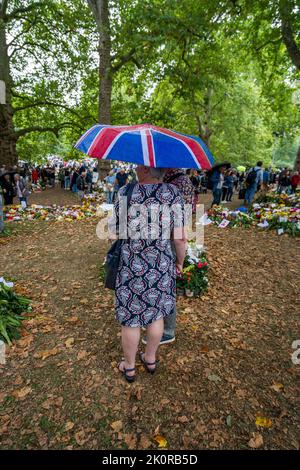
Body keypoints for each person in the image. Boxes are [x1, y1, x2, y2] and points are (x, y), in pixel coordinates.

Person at [113, 166, 187, 382]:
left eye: (138, 165)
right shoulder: (173, 194)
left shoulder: (126, 192)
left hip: (130, 264)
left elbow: (114, 228)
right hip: (161, 265)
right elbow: (180, 238)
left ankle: (129, 367)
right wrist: (180, 262)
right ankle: (150, 359)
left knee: (130, 319)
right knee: (156, 314)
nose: (135, 168)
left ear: (145, 169)